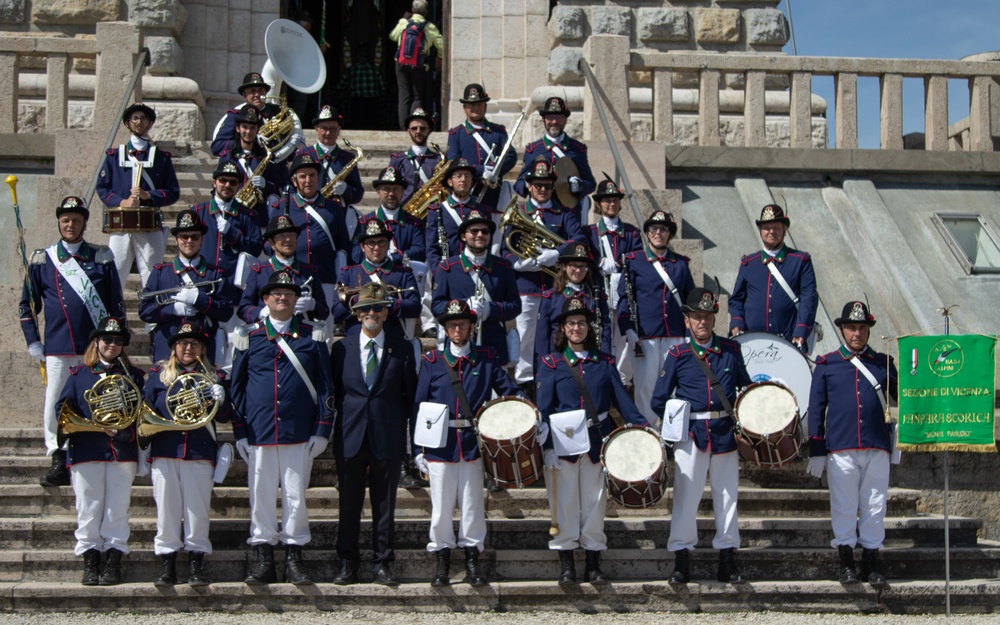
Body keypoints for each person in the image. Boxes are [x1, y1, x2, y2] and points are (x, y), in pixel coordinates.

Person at [536, 297, 649, 585]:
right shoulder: (551, 363)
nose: (577, 328)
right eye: (571, 323)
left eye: (582, 323)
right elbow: (544, 409)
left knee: (594, 502)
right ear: (562, 327)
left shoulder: (604, 363)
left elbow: (624, 404)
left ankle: (593, 563)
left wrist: (645, 428)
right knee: (563, 503)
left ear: (589, 327)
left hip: (597, 440)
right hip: (562, 444)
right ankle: (566, 564)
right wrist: (547, 447)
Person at [231, 271, 334, 585]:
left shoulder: (312, 336)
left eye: (288, 293)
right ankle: (264, 560)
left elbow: (326, 387)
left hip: (298, 430)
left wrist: (322, 429)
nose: (282, 298)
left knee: (295, 497)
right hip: (260, 431)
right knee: (260, 495)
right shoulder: (248, 337)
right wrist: (240, 432)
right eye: (275, 293)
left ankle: (294, 557)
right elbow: (236, 389)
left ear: (295, 300)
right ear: (265, 300)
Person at [412, 299, 523, 587]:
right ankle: (442, 561)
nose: (457, 329)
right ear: (445, 331)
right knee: (441, 508)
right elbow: (419, 406)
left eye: (462, 324)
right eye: (451, 325)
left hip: (473, 445)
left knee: (473, 506)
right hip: (439, 445)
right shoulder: (432, 362)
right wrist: (417, 450)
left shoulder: (486, 358)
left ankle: (473, 560)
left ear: (472, 327)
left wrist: (527, 412)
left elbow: (510, 392)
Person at [21, 196, 125, 487]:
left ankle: (92, 449)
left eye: (76, 219)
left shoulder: (101, 257)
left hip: (95, 348)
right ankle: (58, 455)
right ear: (59, 222)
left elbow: (115, 304)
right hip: (58, 346)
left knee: (95, 400)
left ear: (84, 223)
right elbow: (26, 306)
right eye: (65, 219)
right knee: (56, 402)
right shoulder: (43, 259)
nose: (70, 224)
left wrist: (118, 342)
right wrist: (34, 342)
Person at [651, 288, 752, 585]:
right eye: (697, 317)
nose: (703, 322)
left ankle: (727, 560)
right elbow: (659, 399)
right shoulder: (678, 354)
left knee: (727, 498)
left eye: (707, 317)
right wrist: (677, 424)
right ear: (687, 321)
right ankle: (682, 560)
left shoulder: (731, 350)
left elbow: (745, 388)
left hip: (725, 435)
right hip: (691, 435)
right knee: (685, 498)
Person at [330, 282, 417, 586]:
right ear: (355, 314)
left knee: (385, 506)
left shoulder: (402, 348)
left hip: (387, 437)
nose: (371, 313)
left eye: (377, 308)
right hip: (350, 436)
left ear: (386, 312)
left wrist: (412, 444)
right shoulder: (340, 349)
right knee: (349, 505)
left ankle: (382, 562)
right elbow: (335, 394)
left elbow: (411, 398)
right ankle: (347, 563)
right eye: (364, 308)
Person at [807, 300, 898, 588]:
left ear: (868, 330)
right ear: (842, 330)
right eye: (850, 328)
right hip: (842, 446)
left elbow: (905, 396)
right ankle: (846, 563)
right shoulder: (827, 364)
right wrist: (817, 449)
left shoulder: (883, 363)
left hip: (876, 445)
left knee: (874, 506)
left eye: (861, 328)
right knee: (844, 507)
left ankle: (871, 564)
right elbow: (817, 407)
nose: (856, 334)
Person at [56, 317, 144, 586]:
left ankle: (113, 561)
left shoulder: (135, 376)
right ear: (97, 342)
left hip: (122, 450)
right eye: (107, 339)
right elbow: (62, 411)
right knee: (88, 508)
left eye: (118, 341)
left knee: (118, 508)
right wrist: (94, 427)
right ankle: (90, 561)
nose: (112, 344)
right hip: (87, 450)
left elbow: (142, 413)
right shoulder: (79, 374)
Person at [144, 322, 231, 587]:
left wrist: (221, 397)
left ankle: (196, 565)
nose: (188, 348)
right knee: (167, 511)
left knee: (198, 511)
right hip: (165, 450)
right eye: (183, 344)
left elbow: (226, 417)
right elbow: (146, 411)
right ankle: (167, 565)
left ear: (203, 349)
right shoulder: (158, 376)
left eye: (194, 344)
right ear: (174, 348)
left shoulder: (214, 377)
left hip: (198, 451)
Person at [501, 159, 585, 389]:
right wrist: (518, 264)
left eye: (547, 185)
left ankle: (555, 378)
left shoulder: (564, 214)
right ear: (529, 186)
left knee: (555, 335)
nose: (542, 189)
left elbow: (579, 240)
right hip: (526, 288)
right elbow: (504, 251)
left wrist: (556, 254)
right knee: (525, 336)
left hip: (554, 287)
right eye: (537, 185)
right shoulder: (520, 212)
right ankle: (525, 382)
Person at [616, 210, 694, 425]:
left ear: (670, 234)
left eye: (663, 230)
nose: (658, 233)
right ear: (647, 234)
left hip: (676, 334)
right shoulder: (634, 261)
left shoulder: (681, 264)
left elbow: (690, 301)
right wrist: (628, 329)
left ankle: (672, 431)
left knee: (675, 384)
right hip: (646, 335)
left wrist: (690, 333)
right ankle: (648, 431)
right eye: (654, 229)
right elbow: (624, 297)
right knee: (645, 386)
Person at [96, 102, 180, 288]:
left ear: (150, 123)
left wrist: (148, 195)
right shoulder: (113, 156)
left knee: (152, 274)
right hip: (121, 223)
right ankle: (112, 316)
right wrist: (122, 201)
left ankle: (152, 316)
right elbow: (102, 187)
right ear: (128, 122)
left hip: (149, 223)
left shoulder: (160, 158)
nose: (139, 122)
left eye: (144, 118)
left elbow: (173, 192)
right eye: (135, 118)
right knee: (115, 272)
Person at [266, 153, 350, 340]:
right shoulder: (282, 207)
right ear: (294, 181)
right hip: (293, 279)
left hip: (326, 279)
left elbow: (343, 246)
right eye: (302, 176)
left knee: (324, 336)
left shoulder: (333, 208)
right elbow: (269, 245)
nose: (308, 180)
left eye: (312, 175)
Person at [138, 210, 233, 365]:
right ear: (176, 240)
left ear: (202, 240)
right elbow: (144, 311)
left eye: (194, 237)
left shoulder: (216, 274)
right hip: (167, 349)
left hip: (202, 352)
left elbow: (226, 312)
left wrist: (199, 300)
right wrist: (173, 309)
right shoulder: (160, 272)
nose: (189, 241)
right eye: (184, 236)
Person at [432, 210, 521, 364]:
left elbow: (515, 306)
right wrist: (463, 307)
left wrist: (490, 310)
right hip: (458, 348)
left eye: (485, 231)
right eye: (474, 231)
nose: (480, 235)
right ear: (463, 236)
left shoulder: (503, 267)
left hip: (493, 347)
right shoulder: (447, 268)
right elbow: (437, 306)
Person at [729, 204, 818, 352]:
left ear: (784, 230)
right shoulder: (749, 263)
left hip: (789, 340)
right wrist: (736, 322)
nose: (771, 232)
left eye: (776, 227)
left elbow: (809, 298)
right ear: (760, 231)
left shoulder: (800, 261)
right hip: (753, 343)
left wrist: (801, 330)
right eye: (766, 228)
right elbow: (737, 299)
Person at [585, 178, 643, 383]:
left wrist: (618, 265)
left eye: (615, 200)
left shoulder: (631, 232)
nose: (612, 204)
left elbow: (637, 260)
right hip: (598, 293)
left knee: (624, 340)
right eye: (607, 200)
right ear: (599, 204)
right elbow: (583, 258)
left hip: (623, 296)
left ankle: (623, 382)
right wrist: (598, 262)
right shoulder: (590, 232)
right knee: (600, 338)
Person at [333, 218, 421, 338]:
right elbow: (337, 311)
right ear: (362, 247)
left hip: (393, 339)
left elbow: (415, 307)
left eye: (381, 242)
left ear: (388, 245)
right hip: (357, 339)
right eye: (371, 243)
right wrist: (360, 300)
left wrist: (388, 302)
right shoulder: (348, 273)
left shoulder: (403, 273)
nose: (376, 248)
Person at [534, 242, 611, 373]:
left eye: (582, 267)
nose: (578, 270)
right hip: (559, 364)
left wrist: (605, 362)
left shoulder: (597, 297)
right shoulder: (551, 297)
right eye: (573, 265)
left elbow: (606, 331)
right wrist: (542, 371)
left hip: (592, 362)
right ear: (564, 267)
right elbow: (542, 339)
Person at [238, 215, 329, 327]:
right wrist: (261, 312)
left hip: (301, 335)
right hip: (268, 334)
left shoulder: (310, 271)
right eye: (281, 236)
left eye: (292, 235)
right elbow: (243, 309)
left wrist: (313, 305)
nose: (288, 239)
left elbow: (325, 311)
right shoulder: (259, 271)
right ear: (271, 243)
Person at [514, 96, 595, 217]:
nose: (554, 122)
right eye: (550, 117)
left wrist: (579, 185)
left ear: (565, 120)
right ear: (543, 120)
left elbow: (591, 183)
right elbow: (519, 184)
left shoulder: (578, 149)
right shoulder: (533, 149)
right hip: (541, 213)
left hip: (568, 213)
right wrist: (530, 184)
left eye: (559, 117)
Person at [446, 84, 517, 212]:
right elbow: (452, 161)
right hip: (465, 199)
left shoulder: (498, 131)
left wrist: (495, 171)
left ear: (485, 106)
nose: (475, 108)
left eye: (479, 104)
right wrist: (480, 170)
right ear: (464, 108)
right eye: (471, 105)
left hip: (493, 198)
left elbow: (511, 156)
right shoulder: (456, 134)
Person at [190, 159, 265, 278]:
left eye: (233, 182)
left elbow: (256, 249)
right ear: (214, 183)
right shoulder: (198, 211)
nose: (227, 185)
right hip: (203, 278)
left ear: (239, 186)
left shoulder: (249, 215)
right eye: (223, 180)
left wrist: (233, 233)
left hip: (233, 280)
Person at [215, 108, 286, 225]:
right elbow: (216, 188)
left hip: (259, 217)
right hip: (233, 215)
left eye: (253, 127)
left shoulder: (266, 157)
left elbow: (276, 187)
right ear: (238, 128)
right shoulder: (227, 156)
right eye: (245, 127)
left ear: (258, 130)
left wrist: (265, 184)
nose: (248, 131)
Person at [211, 72, 304, 161]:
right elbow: (217, 147)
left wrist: (297, 147)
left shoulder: (279, 113)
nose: (257, 94)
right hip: (249, 169)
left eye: (260, 90)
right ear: (244, 95)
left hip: (276, 171)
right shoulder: (235, 115)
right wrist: (249, 142)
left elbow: (289, 154)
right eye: (252, 91)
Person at [294, 105, 365, 207]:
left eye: (333, 129)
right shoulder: (303, 153)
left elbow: (358, 194)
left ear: (338, 130)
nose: (328, 133)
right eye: (324, 128)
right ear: (316, 129)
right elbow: (292, 186)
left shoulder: (348, 158)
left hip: (338, 213)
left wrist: (346, 190)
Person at [425, 158, 488, 272]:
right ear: (450, 182)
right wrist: (439, 272)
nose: (463, 180)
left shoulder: (482, 210)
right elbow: (432, 248)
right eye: (458, 176)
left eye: (467, 176)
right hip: (447, 271)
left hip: (476, 270)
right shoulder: (437, 210)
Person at [389, 0, 444, 129]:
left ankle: (404, 127)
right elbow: (441, 44)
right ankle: (414, 126)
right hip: (419, 65)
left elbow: (392, 36)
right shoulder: (429, 27)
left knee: (404, 95)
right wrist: (439, 56)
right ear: (426, 12)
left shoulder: (404, 23)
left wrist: (402, 20)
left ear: (412, 10)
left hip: (401, 64)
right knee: (417, 97)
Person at [389, 108, 444, 206]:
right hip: (405, 213)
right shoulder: (398, 160)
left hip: (431, 212)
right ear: (408, 131)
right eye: (414, 128)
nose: (418, 131)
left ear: (429, 130)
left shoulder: (438, 159)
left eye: (422, 128)